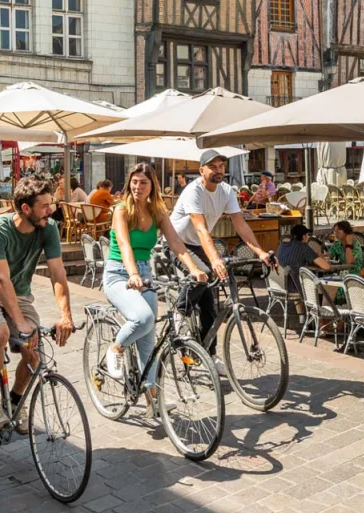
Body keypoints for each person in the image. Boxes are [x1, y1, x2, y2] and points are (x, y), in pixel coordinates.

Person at [0, 178, 74, 432]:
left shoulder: (48, 229)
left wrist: (65, 315)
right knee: (0, 333)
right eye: (45, 205)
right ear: (25, 209)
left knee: (34, 351)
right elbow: (1, 280)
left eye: (52, 203)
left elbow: (58, 274)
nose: (51, 210)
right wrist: (20, 322)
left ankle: (15, 400)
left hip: (21, 295)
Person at [103, 163, 208, 414]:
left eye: (144, 183)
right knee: (143, 318)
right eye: (135, 182)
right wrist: (132, 274)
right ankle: (115, 348)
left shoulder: (158, 211)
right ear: (129, 183)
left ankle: (152, 401)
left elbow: (176, 243)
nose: (138, 187)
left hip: (145, 274)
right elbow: (125, 245)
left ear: (153, 186)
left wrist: (193, 269)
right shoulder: (121, 210)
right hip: (119, 273)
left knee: (148, 339)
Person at [169, 150, 273, 368]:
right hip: (176, 244)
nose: (219, 171)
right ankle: (179, 312)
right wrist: (215, 260)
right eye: (213, 167)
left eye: (221, 167)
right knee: (204, 275)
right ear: (201, 171)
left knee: (210, 303)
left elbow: (241, 225)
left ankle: (210, 355)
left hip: (198, 245)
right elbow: (200, 228)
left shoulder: (226, 191)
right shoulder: (193, 191)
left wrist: (260, 252)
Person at [276, 223, 330, 321]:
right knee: (326, 287)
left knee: (300, 277)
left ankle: (303, 318)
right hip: (294, 287)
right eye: (307, 235)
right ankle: (321, 321)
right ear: (304, 236)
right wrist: (316, 257)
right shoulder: (303, 247)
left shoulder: (282, 245)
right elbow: (326, 267)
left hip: (278, 284)